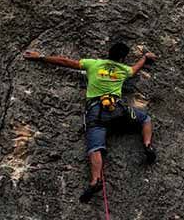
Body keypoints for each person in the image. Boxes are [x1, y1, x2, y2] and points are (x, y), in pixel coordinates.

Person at [23, 43, 158, 203]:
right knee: (145, 119)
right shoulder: (123, 70)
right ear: (122, 58)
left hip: (97, 112)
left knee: (95, 147)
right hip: (118, 110)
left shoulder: (93, 64)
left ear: (109, 52)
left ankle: (95, 180)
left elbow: (66, 62)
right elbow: (135, 68)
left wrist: (41, 57)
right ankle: (147, 144)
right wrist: (145, 57)